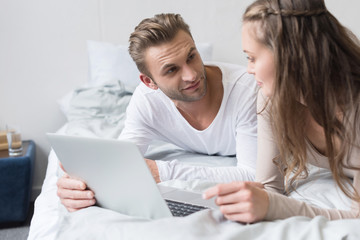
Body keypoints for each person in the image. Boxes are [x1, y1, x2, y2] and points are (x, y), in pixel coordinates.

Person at [57, 13, 258, 212]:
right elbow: (120, 162)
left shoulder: (247, 90)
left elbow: (254, 175)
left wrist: (163, 171)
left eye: (191, 56)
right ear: (148, 82)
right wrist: (78, 188)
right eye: (171, 70)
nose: (192, 74)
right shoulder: (146, 101)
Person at [203, 0, 360, 223]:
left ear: (291, 55)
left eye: (252, 58)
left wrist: (273, 206)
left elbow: (357, 219)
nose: (249, 69)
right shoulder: (272, 100)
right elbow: (269, 186)